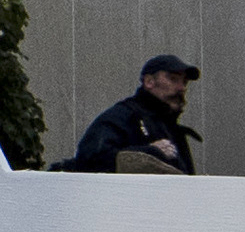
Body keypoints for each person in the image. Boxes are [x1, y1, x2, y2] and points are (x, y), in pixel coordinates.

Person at [63, 51, 201, 175]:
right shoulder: (123, 116)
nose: (181, 88)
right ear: (149, 82)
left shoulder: (171, 128)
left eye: (184, 82)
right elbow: (90, 159)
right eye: (173, 79)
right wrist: (150, 153)